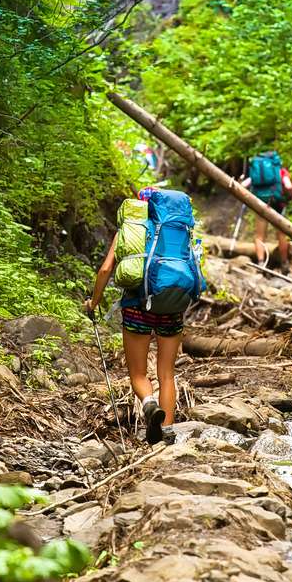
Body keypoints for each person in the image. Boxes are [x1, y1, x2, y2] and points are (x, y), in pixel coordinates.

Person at [83, 190, 185, 446]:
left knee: (138, 374)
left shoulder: (131, 230)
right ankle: (168, 431)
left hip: (136, 307)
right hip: (171, 308)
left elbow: (106, 269)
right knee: (167, 373)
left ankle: (149, 404)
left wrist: (93, 302)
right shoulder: (178, 232)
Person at [240, 150, 292, 268]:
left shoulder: (257, 172)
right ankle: (284, 263)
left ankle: (261, 263)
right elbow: (288, 186)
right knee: (282, 234)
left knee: (259, 235)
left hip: (260, 204)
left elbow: (243, 186)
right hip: (277, 203)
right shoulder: (280, 171)